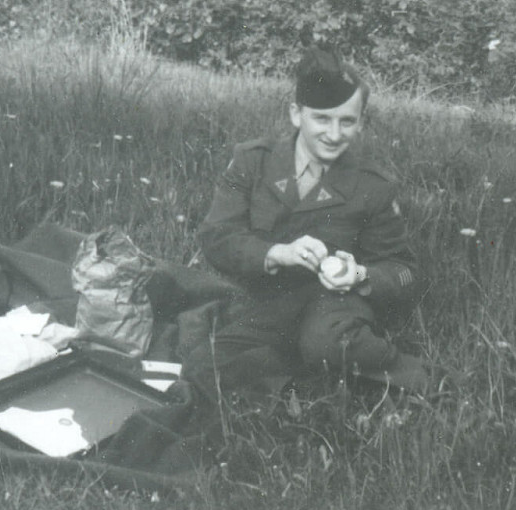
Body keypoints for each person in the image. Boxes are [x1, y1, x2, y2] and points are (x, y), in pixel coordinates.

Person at [182, 45, 428, 402]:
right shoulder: (252, 162)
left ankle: (426, 379)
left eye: (347, 121)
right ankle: (299, 381)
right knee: (203, 365)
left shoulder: (373, 186)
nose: (334, 134)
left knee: (326, 343)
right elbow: (217, 237)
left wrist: (359, 275)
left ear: (361, 122)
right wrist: (276, 253)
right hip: (267, 303)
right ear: (297, 114)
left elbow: (405, 271)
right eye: (322, 119)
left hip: (334, 304)